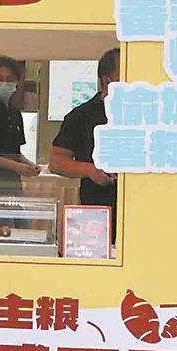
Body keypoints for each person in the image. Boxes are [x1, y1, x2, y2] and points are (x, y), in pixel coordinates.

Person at [49, 49, 120, 231]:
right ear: (107, 80)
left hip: (143, 205)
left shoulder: (146, 115)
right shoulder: (82, 116)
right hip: (98, 210)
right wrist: (90, 170)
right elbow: (56, 161)